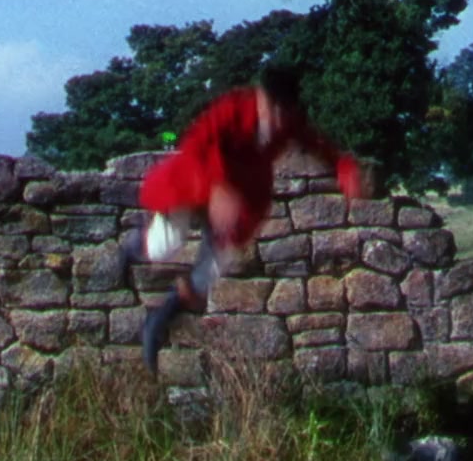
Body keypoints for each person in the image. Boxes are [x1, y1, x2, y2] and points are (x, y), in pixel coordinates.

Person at [122, 66, 365, 375]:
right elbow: (195, 145)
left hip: (243, 199)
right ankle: (134, 246)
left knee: (210, 270)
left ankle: (158, 321)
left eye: (284, 112)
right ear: (260, 98)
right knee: (163, 248)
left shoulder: (290, 122)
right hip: (196, 181)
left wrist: (346, 171)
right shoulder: (232, 108)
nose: (277, 119)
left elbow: (322, 147)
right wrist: (217, 188)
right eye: (272, 109)